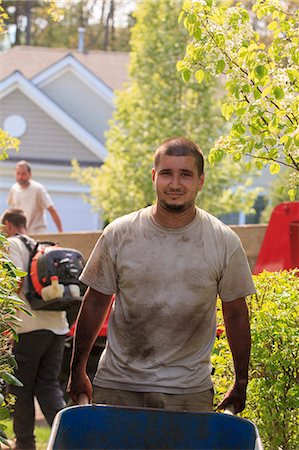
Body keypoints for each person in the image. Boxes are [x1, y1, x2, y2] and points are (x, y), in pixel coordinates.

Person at [69, 137, 255, 414]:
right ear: (154, 176)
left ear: (200, 181)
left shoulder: (223, 241)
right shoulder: (119, 234)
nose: (175, 184)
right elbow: (96, 302)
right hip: (120, 386)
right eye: (167, 173)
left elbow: (237, 314)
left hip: (188, 393)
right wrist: (77, 368)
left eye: (186, 175)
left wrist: (241, 381)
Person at [1, 208, 69, 450]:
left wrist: (7, 317)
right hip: (57, 327)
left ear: (6, 224)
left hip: (28, 327)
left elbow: (15, 280)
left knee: (20, 387)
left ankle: (25, 443)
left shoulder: (12, 245)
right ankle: (70, 438)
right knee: (48, 385)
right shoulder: (40, 245)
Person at [7, 160, 63, 234]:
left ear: (30, 174)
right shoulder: (14, 189)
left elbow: (52, 210)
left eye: (23, 174)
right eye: (18, 173)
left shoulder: (37, 189)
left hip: (37, 233)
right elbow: (11, 214)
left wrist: (60, 232)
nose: (20, 177)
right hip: (22, 235)